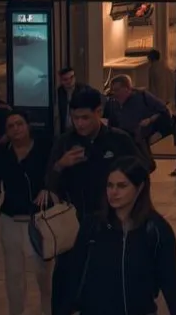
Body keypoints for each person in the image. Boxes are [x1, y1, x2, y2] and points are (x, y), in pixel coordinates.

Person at [50, 157, 176, 315]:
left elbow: (170, 281)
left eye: (122, 186)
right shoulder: (93, 226)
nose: (113, 192)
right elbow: (74, 273)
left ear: (139, 188)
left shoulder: (155, 229)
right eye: (110, 185)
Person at [0, 110, 53, 315]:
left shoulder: (43, 149)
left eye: (19, 124)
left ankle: (47, 305)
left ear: (27, 125)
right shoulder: (0, 154)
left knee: (42, 269)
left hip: (38, 218)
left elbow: (55, 174)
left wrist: (47, 188)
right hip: (11, 218)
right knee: (13, 271)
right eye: (11, 126)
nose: (16, 129)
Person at [46, 88, 150, 220]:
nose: (79, 124)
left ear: (99, 112)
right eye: (75, 118)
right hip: (76, 218)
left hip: (115, 217)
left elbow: (142, 174)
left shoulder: (119, 140)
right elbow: (49, 183)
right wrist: (61, 165)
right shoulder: (65, 142)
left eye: (85, 118)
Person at [104, 74, 171, 154]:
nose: (114, 93)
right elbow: (112, 122)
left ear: (127, 88)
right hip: (123, 140)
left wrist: (149, 120)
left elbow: (163, 110)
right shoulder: (113, 103)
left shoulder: (142, 96)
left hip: (140, 138)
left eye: (117, 90)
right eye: (113, 90)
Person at [55, 67, 91, 132]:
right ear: (61, 80)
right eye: (65, 79)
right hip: (64, 128)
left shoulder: (84, 90)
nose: (69, 81)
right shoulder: (58, 92)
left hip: (81, 126)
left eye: (71, 77)